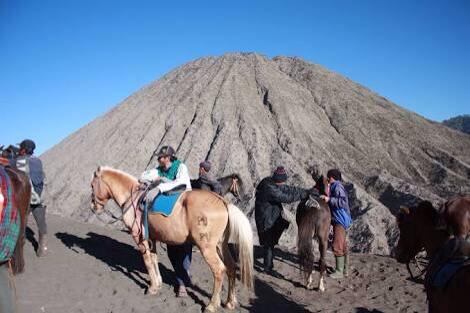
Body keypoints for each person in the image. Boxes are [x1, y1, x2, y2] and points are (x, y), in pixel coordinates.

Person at [140, 145, 192, 297]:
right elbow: (143, 176)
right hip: (167, 210)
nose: (159, 159)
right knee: (172, 251)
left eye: (161, 157)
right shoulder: (159, 169)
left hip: (183, 206)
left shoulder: (181, 167)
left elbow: (182, 183)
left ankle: (182, 282)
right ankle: (183, 275)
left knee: (184, 248)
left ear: (169, 157)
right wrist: (157, 178)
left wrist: (161, 185)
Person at [254, 166, 313, 276]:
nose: (283, 184)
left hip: (271, 215)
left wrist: (307, 191)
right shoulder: (269, 188)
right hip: (266, 218)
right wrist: (304, 194)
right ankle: (268, 268)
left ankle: (268, 265)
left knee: (271, 242)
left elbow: (288, 189)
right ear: (278, 180)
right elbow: (285, 197)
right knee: (268, 243)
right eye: (282, 182)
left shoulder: (272, 183)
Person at [15, 139, 47, 257]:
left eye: (20, 148)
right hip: (39, 198)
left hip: (25, 198)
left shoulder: (18, 161)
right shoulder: (38, 161)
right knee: (41, 222)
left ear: (23, 150)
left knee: (20, 222)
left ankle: (18, 247)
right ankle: (42, 248)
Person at [320, 169, 352, 279]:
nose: (328, 179)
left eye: (329, 177)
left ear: (331, 177)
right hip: (341, 219)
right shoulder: (335, 186)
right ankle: (344, 269)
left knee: (337, 244)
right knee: (342, 244)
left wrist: (328, 199)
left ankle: (339, 271)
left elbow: (342, 202)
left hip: (340, 220)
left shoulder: (337, 186)